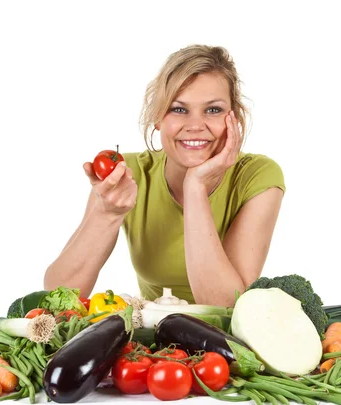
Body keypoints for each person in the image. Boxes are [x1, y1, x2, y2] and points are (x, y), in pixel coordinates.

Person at [43, 44, 285, 307]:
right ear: (157, 117)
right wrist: (107, 214)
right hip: (156, 342)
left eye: (213, 110)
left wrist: (195, 186)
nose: (195, 126)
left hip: (225, 344)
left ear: (233, 117)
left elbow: (227, 306)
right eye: (179, 109)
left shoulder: (258, 176)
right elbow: (58, 296)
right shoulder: (128, 174)